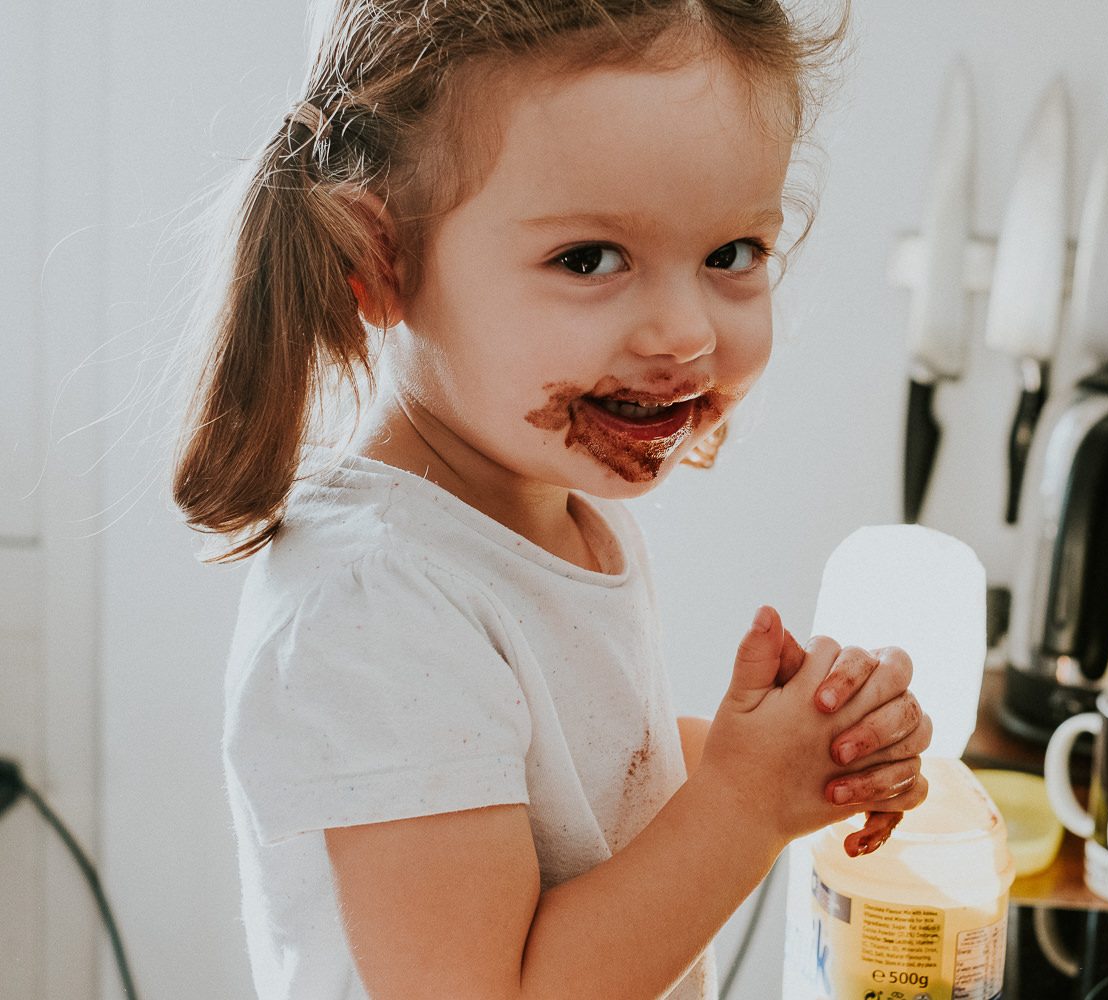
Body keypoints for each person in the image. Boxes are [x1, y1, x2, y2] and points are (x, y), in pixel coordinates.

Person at [171, 2, 932, 998]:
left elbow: (590, 777)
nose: (685, 333)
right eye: (588, 259)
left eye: (732, 253)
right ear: (380, 262)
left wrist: (800, 754)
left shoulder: (548, 500)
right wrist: (748, 800)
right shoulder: (376, 606)